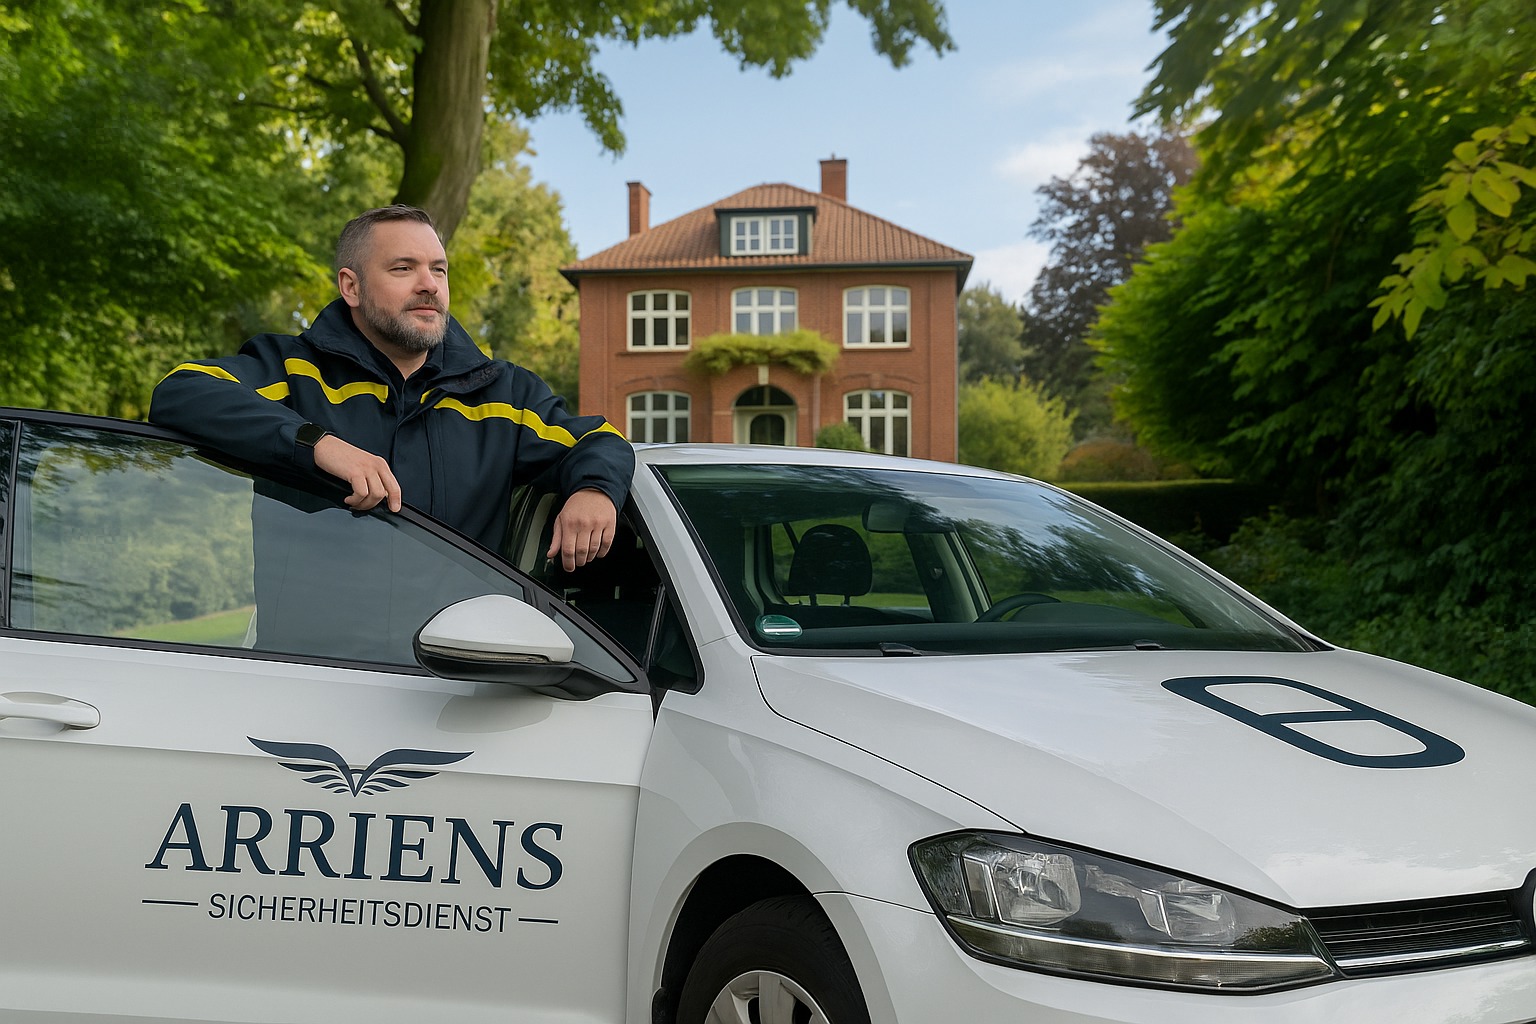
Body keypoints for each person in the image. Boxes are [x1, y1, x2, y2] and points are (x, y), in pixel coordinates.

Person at [150, 205, 633, 572]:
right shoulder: (291, 370)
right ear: (351, 287)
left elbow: (600, 440)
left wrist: (594, 491)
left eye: (438, 270)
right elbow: (181, 390)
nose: (429, 285)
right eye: (403, 269)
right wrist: (317, 444)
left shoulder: (504, 392)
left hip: (459, 677)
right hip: (314, 674)